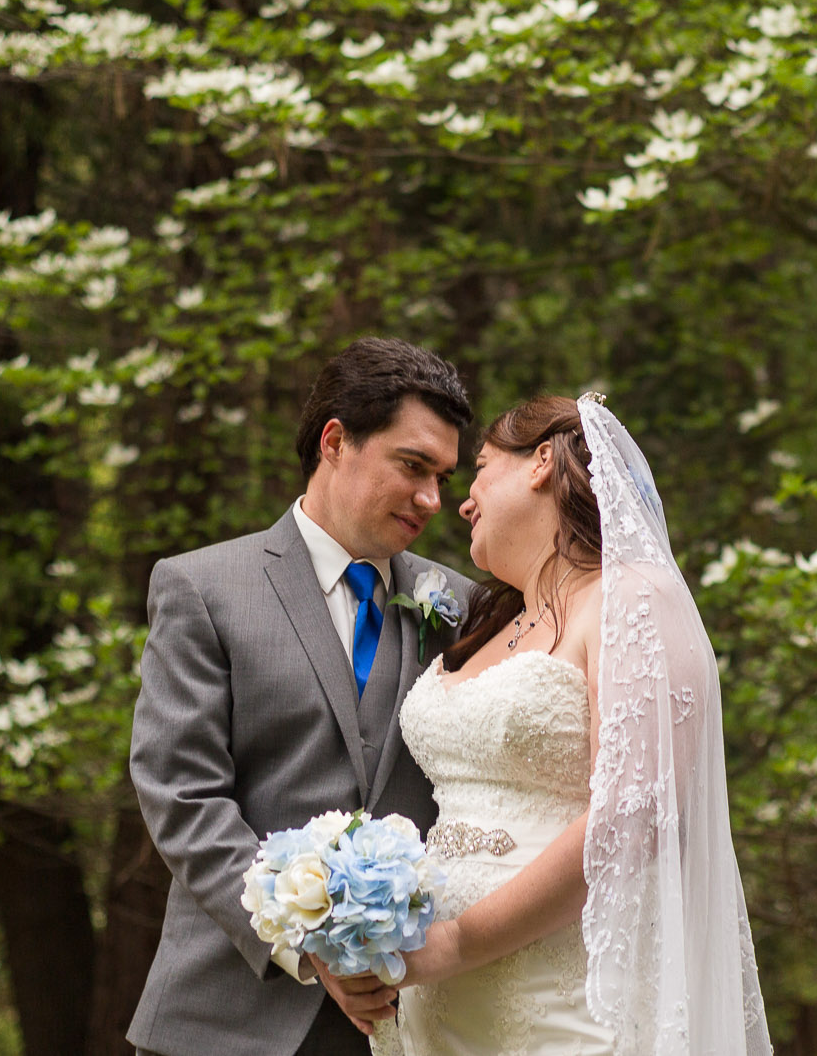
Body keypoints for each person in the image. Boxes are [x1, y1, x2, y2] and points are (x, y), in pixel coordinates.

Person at [379, 393, 772, 1056]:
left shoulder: (633, 596)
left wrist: (456, 940)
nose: (461, 502)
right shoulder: (488, 622)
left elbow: (634, 813)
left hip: (562, 1000)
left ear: (539, 463)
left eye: (476, 468)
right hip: (435, 1010)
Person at [128, 338, 476, 1056]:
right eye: (413, 466)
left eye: (443, 476)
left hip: (405, 1020)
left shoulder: (458, 605)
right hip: (225, 1014)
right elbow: (182, 794)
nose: (431, 499)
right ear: (336, 441)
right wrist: (306, 941)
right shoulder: (202, 588)